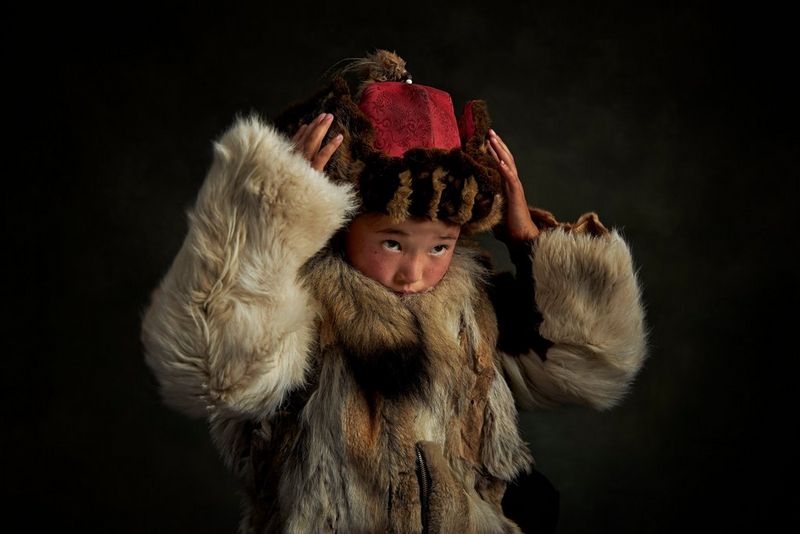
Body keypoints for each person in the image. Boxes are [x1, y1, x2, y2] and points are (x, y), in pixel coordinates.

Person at [141, 50, 647, 533]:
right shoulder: (297, 303)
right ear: (342, 224)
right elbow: (217, 373)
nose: (414, 273)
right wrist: (272, 223)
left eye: (439, 247)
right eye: (391, 241)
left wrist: (527, 242)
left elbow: (592, 363)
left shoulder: (472, 303)